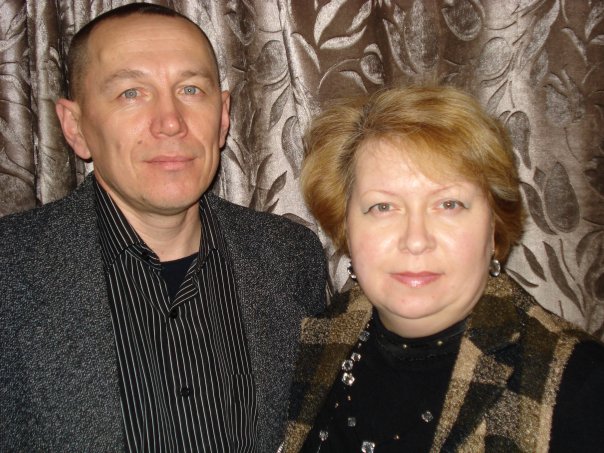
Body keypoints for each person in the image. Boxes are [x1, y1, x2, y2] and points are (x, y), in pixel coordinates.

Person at [0, 3, 326, 451]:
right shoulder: (11, 271)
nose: (171, 122)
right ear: (75, 127)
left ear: (223, 117)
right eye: (131, 93)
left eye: (190, 89)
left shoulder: (290, 257)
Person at [281, 85, 604, 452]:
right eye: (383, 207)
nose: (415, 240)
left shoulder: (581, 387)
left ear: (494, 228)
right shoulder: (315, 340)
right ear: (346, 228)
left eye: (449, 204)